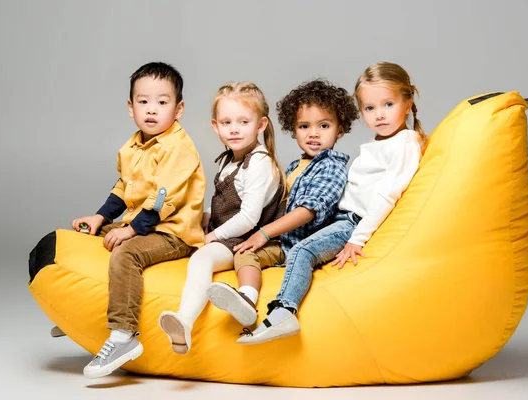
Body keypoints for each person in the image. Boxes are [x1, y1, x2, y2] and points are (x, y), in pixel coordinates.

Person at [237, 62, 425, 344]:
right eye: (370, 109)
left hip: (353, 223)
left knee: (302, 251)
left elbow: (388, 195)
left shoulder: (404, 143)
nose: (379, 115)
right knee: (289, 248)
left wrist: (357, 240)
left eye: (388, 104)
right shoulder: (380, 144)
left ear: (408, 104)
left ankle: (283, 313)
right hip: (342, 219)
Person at [68, 62, 206, 378]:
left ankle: (123, 336)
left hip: (173, 232)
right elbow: (124, 189)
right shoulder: (132, 145)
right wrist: (100, 217)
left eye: (162, 102)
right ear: (131, 108)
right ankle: (83, 314)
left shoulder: (177, 147)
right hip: (142, 221)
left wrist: (129, 230)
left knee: (126, 253)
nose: (152, 110)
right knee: (87, 234)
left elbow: (163, 200)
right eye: (143, 102)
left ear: (179, 108)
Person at [159, 82, 286, 354]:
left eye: (243, 121)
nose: (235, 129)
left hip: (248, 239)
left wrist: (212, 237)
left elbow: (250, 217)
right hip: (227, 230)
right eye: (227, 122)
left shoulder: (260, 162)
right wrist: (206, 217)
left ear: (261, 125)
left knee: (201, 257)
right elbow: (225, 201)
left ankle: (185, 320)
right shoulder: (229, 159)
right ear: (215, 126)